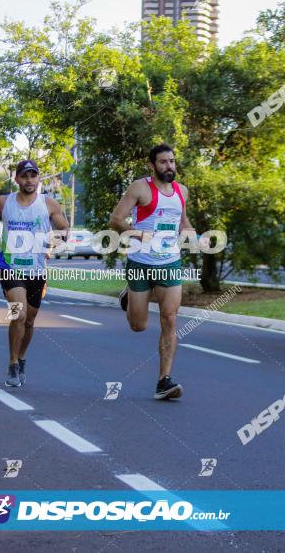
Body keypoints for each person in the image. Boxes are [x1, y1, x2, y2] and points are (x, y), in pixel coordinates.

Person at [108, 143, 194, 400]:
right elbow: (116, 219)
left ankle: (163, 381)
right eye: (164, 162)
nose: (170, 166)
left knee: (170, 319)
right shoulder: (139, 188)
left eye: (172, 161)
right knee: (138, 325)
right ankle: (128, 296)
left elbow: (183, 222)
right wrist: (136, 232)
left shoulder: (182, 192)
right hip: (140, 263)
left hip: (169, 262)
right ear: (152, 165)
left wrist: (191, 234)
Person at [0, 160, 69, 388]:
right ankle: (11, 364)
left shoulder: (48, 203)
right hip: (10, 267)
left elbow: (64, 229)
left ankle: (21, 358)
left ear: (38, 179)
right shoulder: (4, 202)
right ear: (17, 179)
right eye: (25, 176)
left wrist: (54, 242)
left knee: (29, 321)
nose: (29, 180)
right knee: (18, 314)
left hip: (37, 269)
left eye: (33, 176)